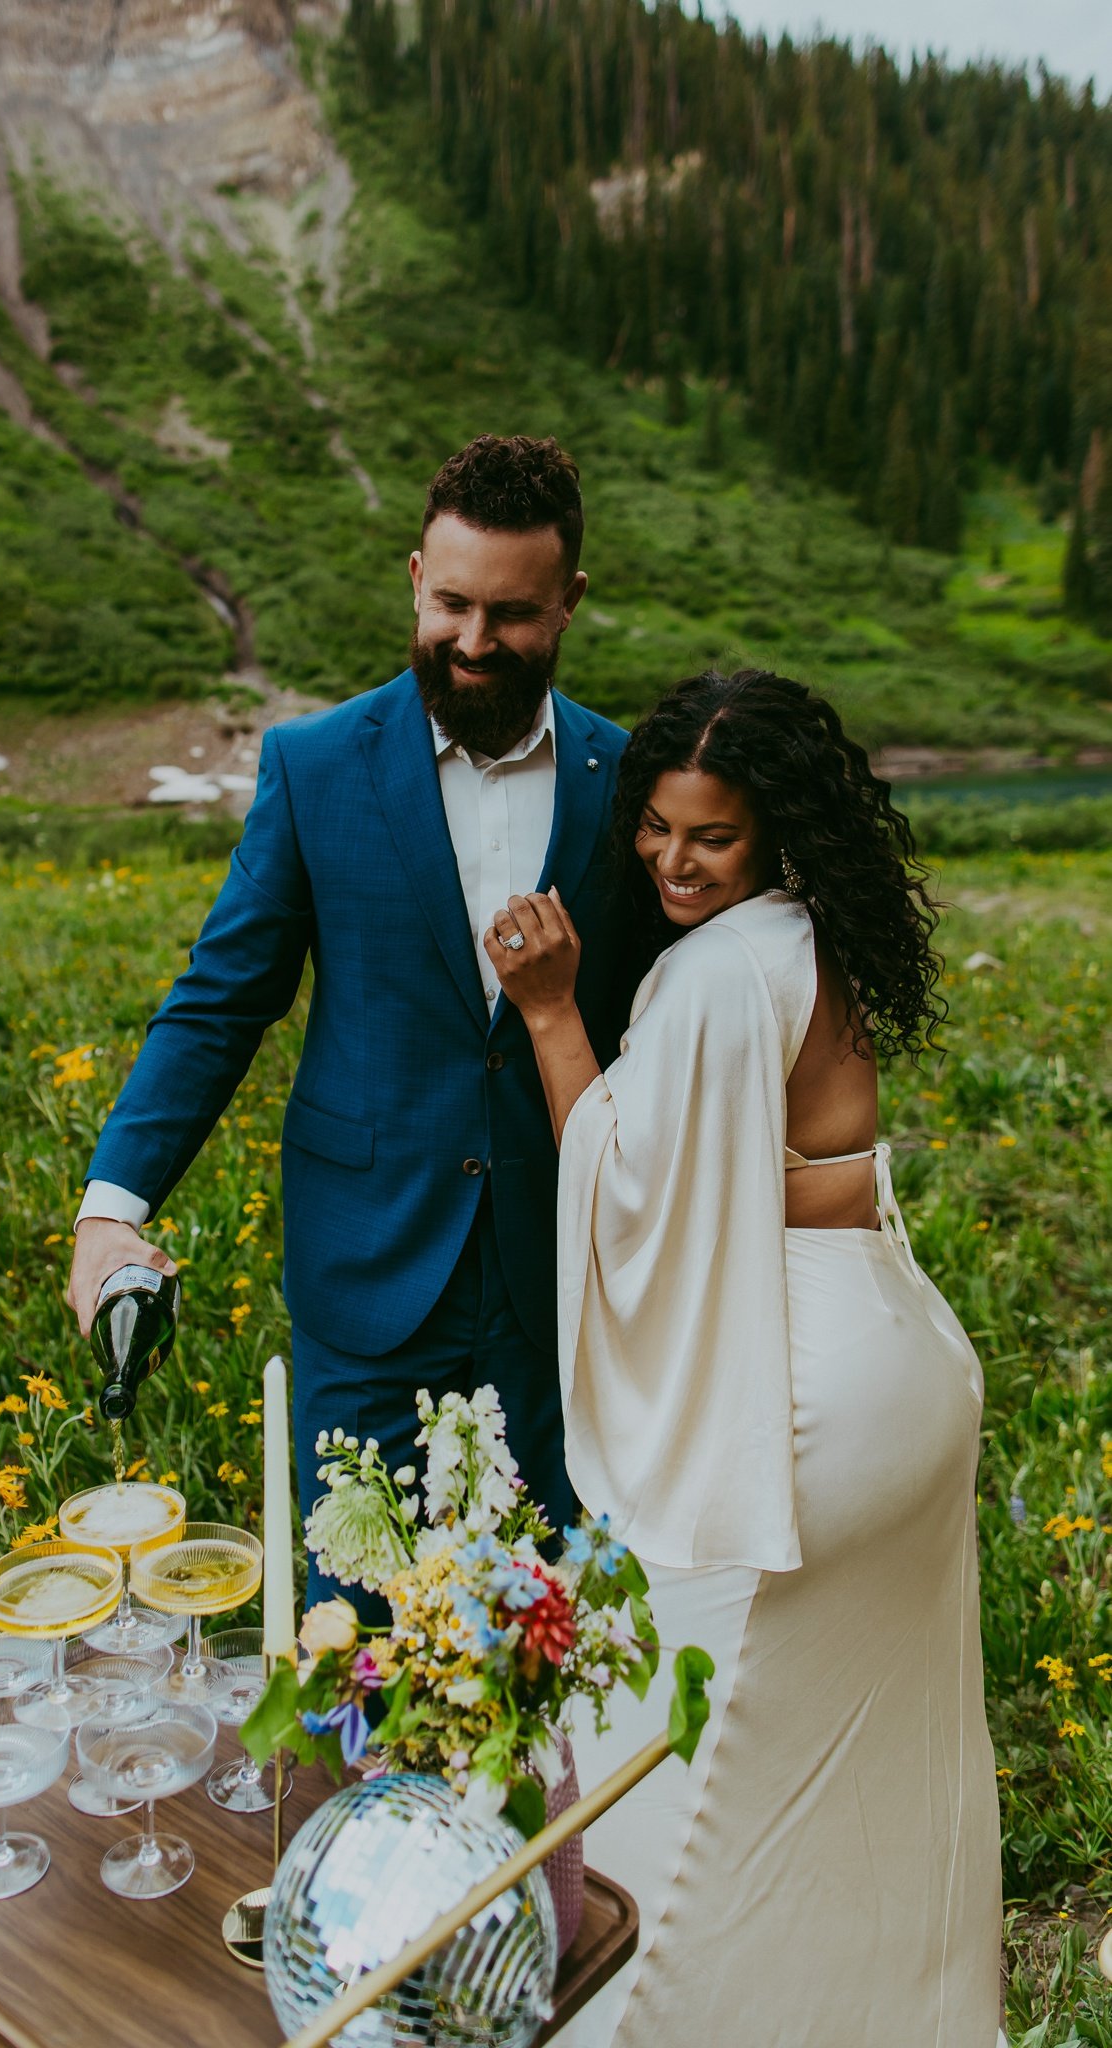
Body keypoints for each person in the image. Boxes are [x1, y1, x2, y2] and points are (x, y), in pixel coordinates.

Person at [487, 669, 1004, 2047]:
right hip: (900, 1355)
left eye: (707, 836)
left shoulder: (713, 976)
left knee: (676, 1748)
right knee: (869, 1744)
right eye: (653, 828)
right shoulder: (809, 931)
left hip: (800, 1398)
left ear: (769, 829)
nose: (670, 860)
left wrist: (548, 1010)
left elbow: (629, 1191)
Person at [67, 434, 637, 1607]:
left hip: (559, 1290)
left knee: (543, 1637)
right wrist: (110, 1208)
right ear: (414, 574)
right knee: (355, 1634)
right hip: (368, 1278)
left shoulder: (624, 781)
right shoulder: (315, 764)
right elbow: (222, 999)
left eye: (514, 615)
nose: (475, 643)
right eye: (452, 604)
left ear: (571, 603)